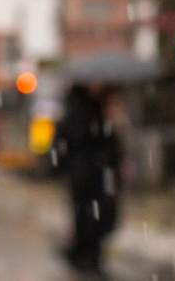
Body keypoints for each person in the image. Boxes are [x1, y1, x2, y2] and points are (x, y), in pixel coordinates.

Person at [52, 83, 122, 276]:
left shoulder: (95, 109)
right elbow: (77, 140)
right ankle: (86, 257)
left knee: (94, 217)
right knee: (90, 218)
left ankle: (85, 256)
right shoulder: (84, 111)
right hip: (87, 175)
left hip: (92, 175)